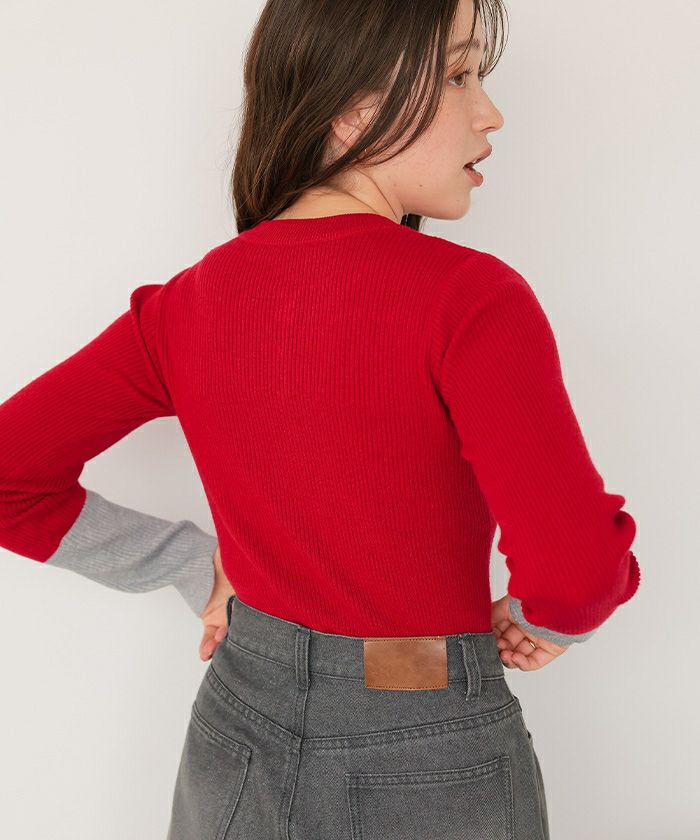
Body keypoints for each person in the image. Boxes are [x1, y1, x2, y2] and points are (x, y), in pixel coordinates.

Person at [0, 0, 640, 837]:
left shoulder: (188, 306)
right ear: (352, 109)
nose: (491, 113)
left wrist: (194, 564)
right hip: (422, 726)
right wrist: (548, 620)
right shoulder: (470, 300)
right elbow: (576, 572)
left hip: (237, 719)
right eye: (458, 75)